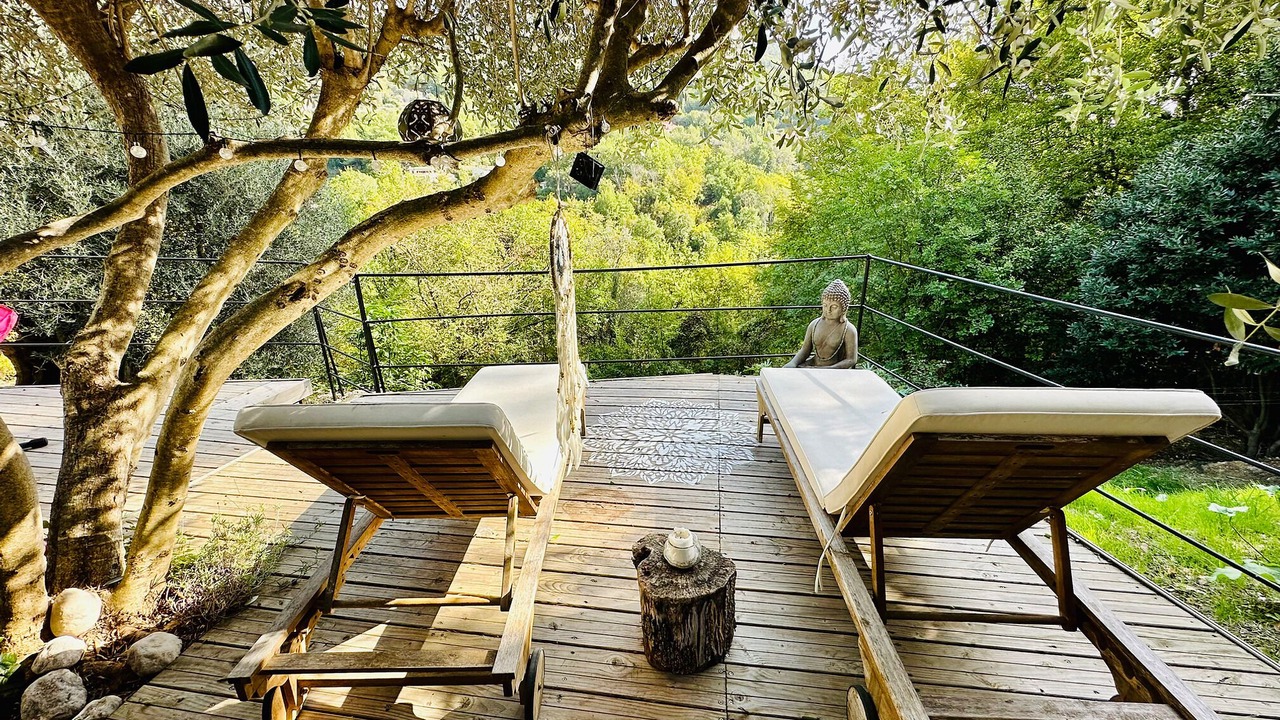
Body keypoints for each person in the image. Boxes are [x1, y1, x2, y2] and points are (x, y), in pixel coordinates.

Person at [783, 279, 859, 369]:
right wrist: (793, 363)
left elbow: (851, 360)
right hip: (813, 365)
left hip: (835, 370)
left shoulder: (848, 330)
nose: (828, 310)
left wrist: (829, 369)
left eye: (834, 307)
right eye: (825, 305)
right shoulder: (814, 324)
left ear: (844, 308)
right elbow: (805, 350)